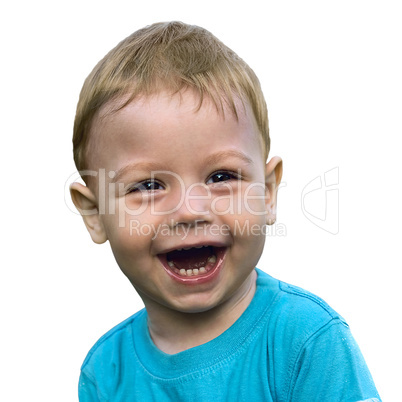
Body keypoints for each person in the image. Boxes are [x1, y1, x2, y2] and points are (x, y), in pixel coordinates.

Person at [70, 21, 381, 401]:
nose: (190, 211)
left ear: (267, 192)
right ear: (95, 213)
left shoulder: (306, 341)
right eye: (148, 186)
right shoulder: (105, 372)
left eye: (221, 176)